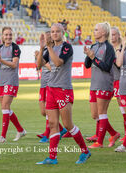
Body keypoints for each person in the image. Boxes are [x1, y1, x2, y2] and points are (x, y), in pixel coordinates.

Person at [36, 23, 91, 164]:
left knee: (67, 124)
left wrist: (48, 47)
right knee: (53, 124)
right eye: (52, 31)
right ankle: (52, 157)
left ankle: (85, 151)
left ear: (63, 32)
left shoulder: (67, 47)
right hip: (51, 89)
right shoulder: (50, 48)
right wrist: (42, 48)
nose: (54, 34)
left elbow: (59, 62)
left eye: (57, 31)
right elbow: (38, 65)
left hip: (63, 89)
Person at [84, 22, 120, 148]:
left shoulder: (109, 48)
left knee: (102, 112)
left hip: (104, 83)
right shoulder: (94, 46)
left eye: (96, 30)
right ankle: (114, 133)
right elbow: (87, 65)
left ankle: (99, 142)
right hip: (94, 84)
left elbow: (106, 67)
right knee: (95, 114)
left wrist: (93, 57)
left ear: (103, 32)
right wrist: (88, 55)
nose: (94, 32)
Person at [0, 27, 26, 143]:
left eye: (10, 35)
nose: (8, 37)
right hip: (1, 81)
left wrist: (0, 60)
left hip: (11, 80)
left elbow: (14, 65)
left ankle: (3, 137)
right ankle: (21, 130)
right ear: (2, 36)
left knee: (5, 106)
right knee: (4, 108)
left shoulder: (15, 48)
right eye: (6, 35)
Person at [35, 31, 67, 143]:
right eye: (45, 38)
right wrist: (39, 51)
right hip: (43, 83)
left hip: (51, 83)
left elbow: (53, 68)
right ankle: (61, 129)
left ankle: (48, 133)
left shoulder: (55, 51)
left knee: (49, 110)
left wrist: (43, 61)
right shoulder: (44, 50)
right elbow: (38, 66)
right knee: (44, 112)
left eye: (48, 37)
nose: (47, 39)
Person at [110, 27, 126, 142]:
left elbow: (119, 64)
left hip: (122, 80)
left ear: (118, 35)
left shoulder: (121, 48)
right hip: (113, 80)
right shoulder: (108, 48)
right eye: (111, 34)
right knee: (122, 108)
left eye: (114, 34)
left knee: (125, 107)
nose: (112, 37)